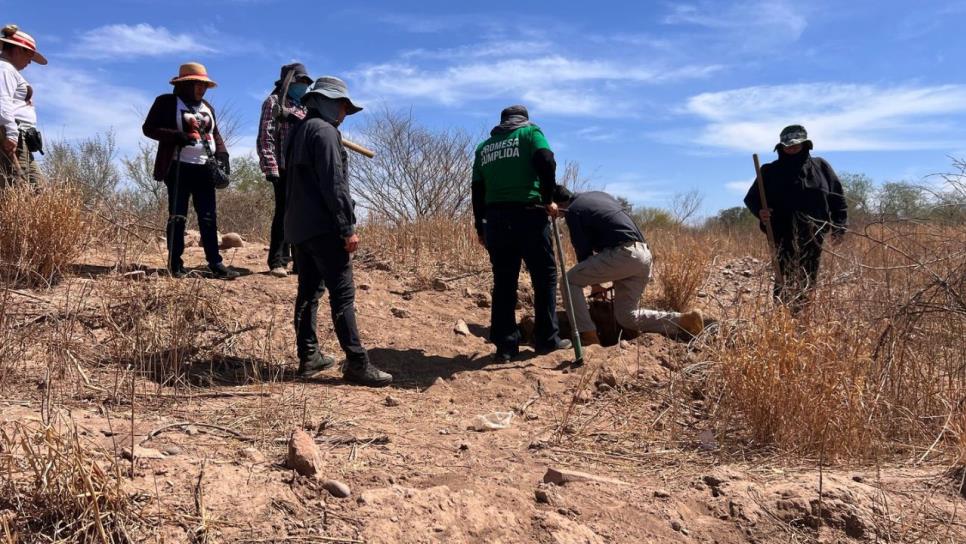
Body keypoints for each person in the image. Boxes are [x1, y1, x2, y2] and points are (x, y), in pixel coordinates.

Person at [283, 76, 392, 386]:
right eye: (341, 105)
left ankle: (309, 357)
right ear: (323, 101)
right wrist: (347, 227)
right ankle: (357, 363)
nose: (344, 112)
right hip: (325, 227)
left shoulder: (298, 133)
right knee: (342, 296)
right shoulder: (325, 133)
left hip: (300, 228)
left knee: (308, 293)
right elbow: (335, 185)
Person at [471, 105, 571, 361]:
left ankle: (505, 347)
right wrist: (548, 198)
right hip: (529, 214)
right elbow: (546, 160)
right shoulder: (530, 134)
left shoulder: (484, 148)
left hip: (494, 220)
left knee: (504, 282)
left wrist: (480, 228)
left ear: (502, 122)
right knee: (545, 277)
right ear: (523, 120)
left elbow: (477, 191)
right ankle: (547, 339)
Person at [551, 186, 704, 345]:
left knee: (569, 281)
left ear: (559, 205)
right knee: (627, 316)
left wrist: (595, 285)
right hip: (643, 255)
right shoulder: (598, 195)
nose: (560, 217)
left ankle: (588, 335)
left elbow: (583, 250)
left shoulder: (573, 210)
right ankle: (684, 321)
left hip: (623, 254)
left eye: (559, 213)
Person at [143, 62, 239, 280]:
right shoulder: (166, 102)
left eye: (203, 85)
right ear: (185, 84)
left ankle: (215, 264)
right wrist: (176, 136)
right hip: (178, 166)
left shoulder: (207, 107)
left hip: (205, 167)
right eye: (197, 84)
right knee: (178, 216)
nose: (201, 88)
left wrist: (223, 154)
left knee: (208, 217)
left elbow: (215, 133)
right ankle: (175, 263)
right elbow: (148, 129)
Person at [743, 124, 848, 311]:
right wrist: (760, 211)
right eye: (787, 146)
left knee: (808, 277)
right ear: (781, 147)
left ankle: (802, 318)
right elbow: (751, 199)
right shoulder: (769, 171)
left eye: (795, 145)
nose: (791, 149)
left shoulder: (821, 167)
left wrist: (839, 227)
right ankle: (783, 319)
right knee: (783, 277)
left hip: (814, 236)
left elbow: (837, 199)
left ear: (805, 145)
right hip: (781, 234)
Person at [257, 63, 311, 278]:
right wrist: (270, 165)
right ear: (290, 82)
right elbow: (265, 136)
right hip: (282, 166)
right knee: (284, 212)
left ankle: (300, 261)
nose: (304, 86)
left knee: (303, 214)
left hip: (304, 168)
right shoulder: (273, 102)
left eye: (307, 83)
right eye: (301, 82)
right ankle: (278, 260)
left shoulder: (305, 107)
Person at [0, 24, 46, 188]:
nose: (30, 62)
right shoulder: (4, 69)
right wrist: (11, 133)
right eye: (30, 56)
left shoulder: (8, 70)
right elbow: (2, 100)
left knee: (36, 187)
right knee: (18, 187)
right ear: (19, 50)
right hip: (14, 134)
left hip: (21, 136)